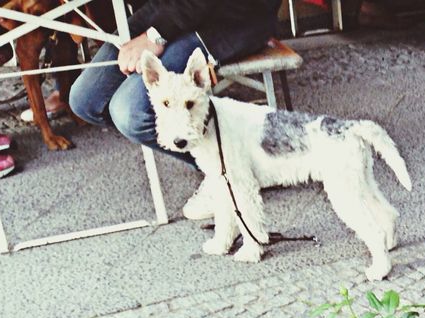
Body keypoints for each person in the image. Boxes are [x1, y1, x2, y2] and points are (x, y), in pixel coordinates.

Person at [69, 1, 279, 196]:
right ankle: (217, 161)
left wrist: (156, 35)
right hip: (166, 8)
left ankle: (228, 170)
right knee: (85, 100)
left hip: (230, 15)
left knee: (129, 113)